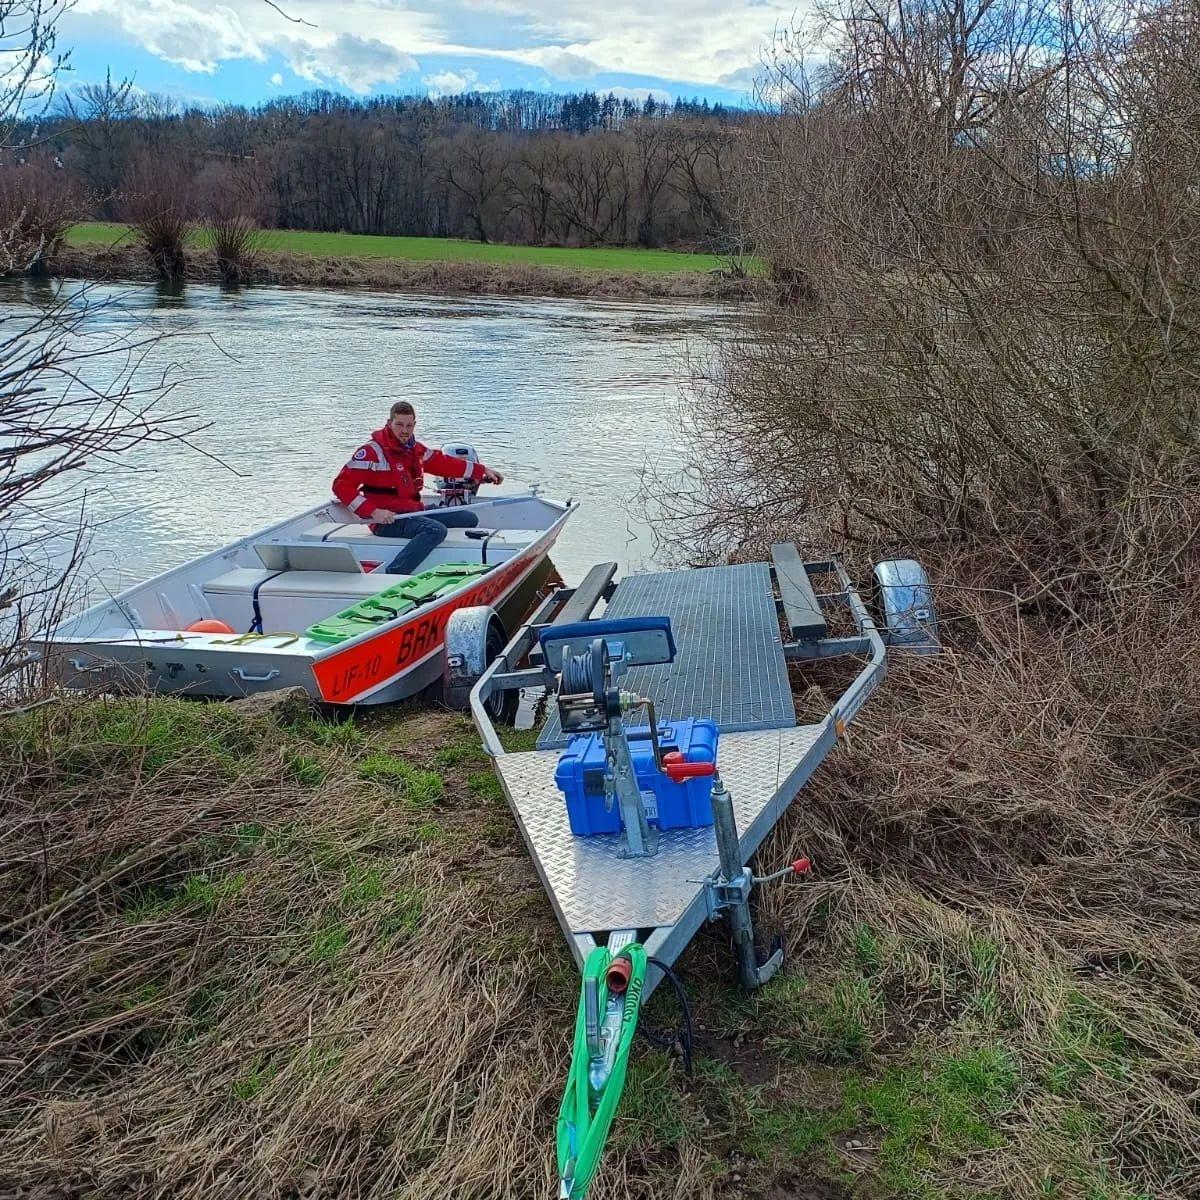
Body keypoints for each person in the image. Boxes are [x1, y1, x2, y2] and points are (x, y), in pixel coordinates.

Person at [332, 401, 504, 576]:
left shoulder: (415, 449)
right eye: (399, 425)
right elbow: (341, 486)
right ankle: (393, 573)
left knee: (468, 518)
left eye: (409, 425)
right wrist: (373, 512)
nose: (404, 431)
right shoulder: (371, 452)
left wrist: (482, 471)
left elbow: (444, 464)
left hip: (413, 512)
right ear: (389, 423)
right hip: (387, 520)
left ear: (414, 424)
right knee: (435, 530)